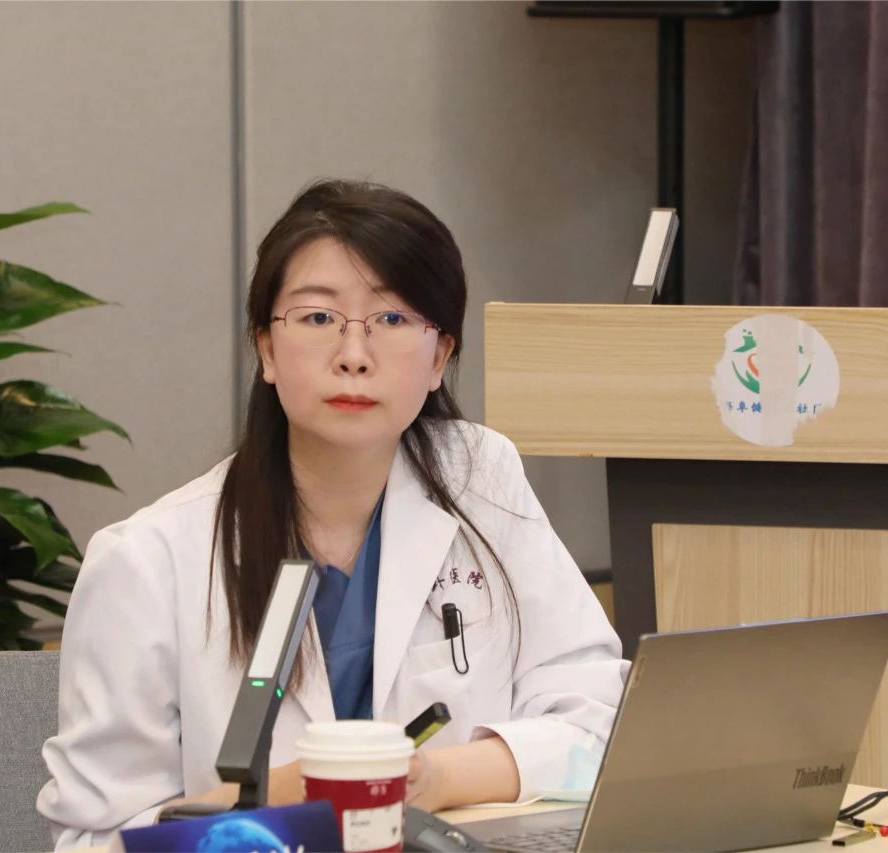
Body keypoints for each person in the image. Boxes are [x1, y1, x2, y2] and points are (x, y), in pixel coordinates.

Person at [37, 179, 627, 849]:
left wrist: (431, 778)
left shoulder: (480, 478)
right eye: (318, 318)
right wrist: (300, 794)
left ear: (440, 356)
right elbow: (92, 841)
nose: (353, 355)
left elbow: (602, 719)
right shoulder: (148, 561)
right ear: (266, 348)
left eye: (392, 320)